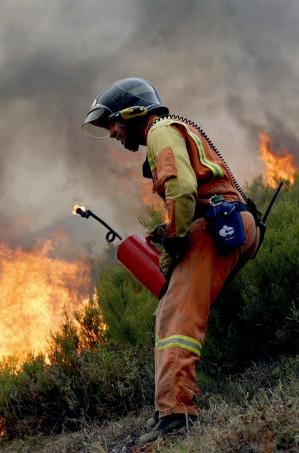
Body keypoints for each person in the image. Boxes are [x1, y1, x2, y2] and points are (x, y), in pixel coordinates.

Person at [81, 78, 260, 444]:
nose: (112, 132)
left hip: (215, 226)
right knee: (171, 312)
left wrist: (176, 239)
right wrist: (170, 233)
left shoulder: (160, 130)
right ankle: (170, 406)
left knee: (178, 316)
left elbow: (181, 188)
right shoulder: (173, 129)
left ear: (133, 112)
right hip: (230, 224)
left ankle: (177, 414)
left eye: (112, 122)